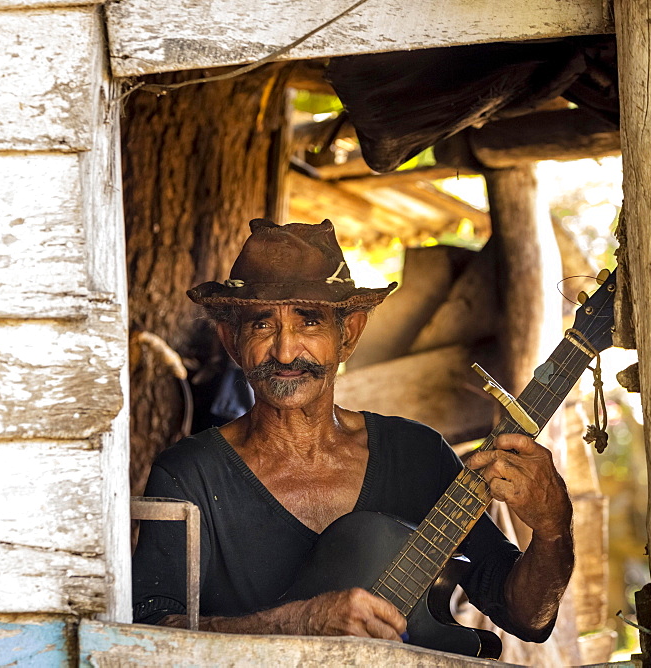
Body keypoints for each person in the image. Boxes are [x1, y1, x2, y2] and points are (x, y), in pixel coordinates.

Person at [132, 219, 574, 654]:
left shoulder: (416, 456)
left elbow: (525, 617)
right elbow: (146, 639)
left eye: (309, 324)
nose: (286, 352)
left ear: (350, 334)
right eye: (263, 325)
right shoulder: (189, 475)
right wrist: (296, 624)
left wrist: (554, 531)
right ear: (232, 340)